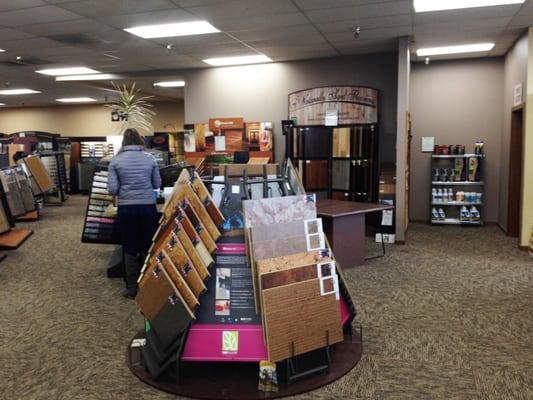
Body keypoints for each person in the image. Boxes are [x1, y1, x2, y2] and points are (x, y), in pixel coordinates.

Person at [107, 128, 161, 299]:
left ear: (123, 141)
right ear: (140, 141)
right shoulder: (150, 159)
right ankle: (148, 283)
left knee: (129, 247)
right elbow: (157, 183)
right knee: (148, 245)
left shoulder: (115, 161)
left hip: (127, 208)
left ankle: (132, 288)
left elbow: (113, 189)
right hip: (147, 207)